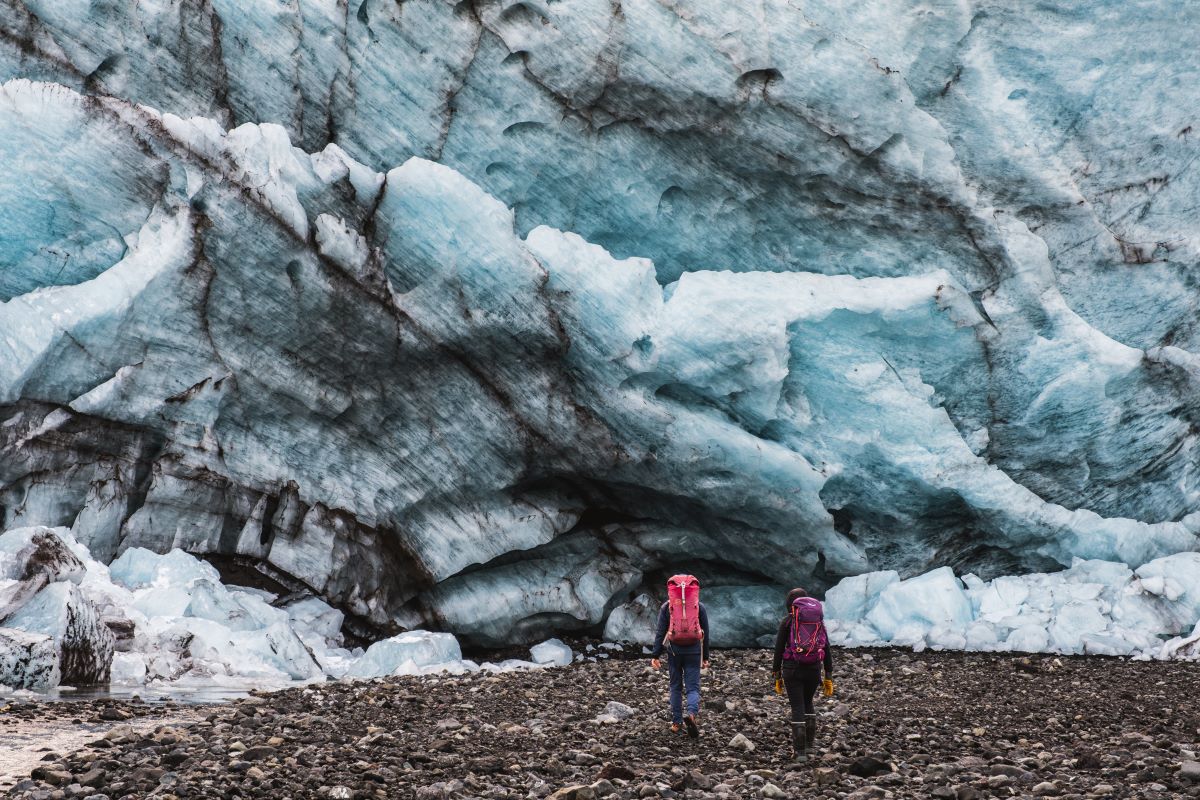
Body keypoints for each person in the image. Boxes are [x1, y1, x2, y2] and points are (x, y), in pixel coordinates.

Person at [772, 587, 833, 761]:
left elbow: (778, 649)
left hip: (792, 669)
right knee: (808, 703)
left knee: (797, 706)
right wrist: (828, 674)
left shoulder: (787, 622)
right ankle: (810, 747)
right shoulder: (818, 623)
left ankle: (799, 753)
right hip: (814, 669)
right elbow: (826, 648)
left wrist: (776, 672)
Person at [650, 595, 710, 737]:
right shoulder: (698, 607)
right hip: (694, 652)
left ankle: (677, 723)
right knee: (692, 688)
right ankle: (691, 715)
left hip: (674, 652)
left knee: (675, 687)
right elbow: (705, 633)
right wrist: (705, 657)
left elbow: (660, 632)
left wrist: (655, 655)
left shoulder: (667, 607)